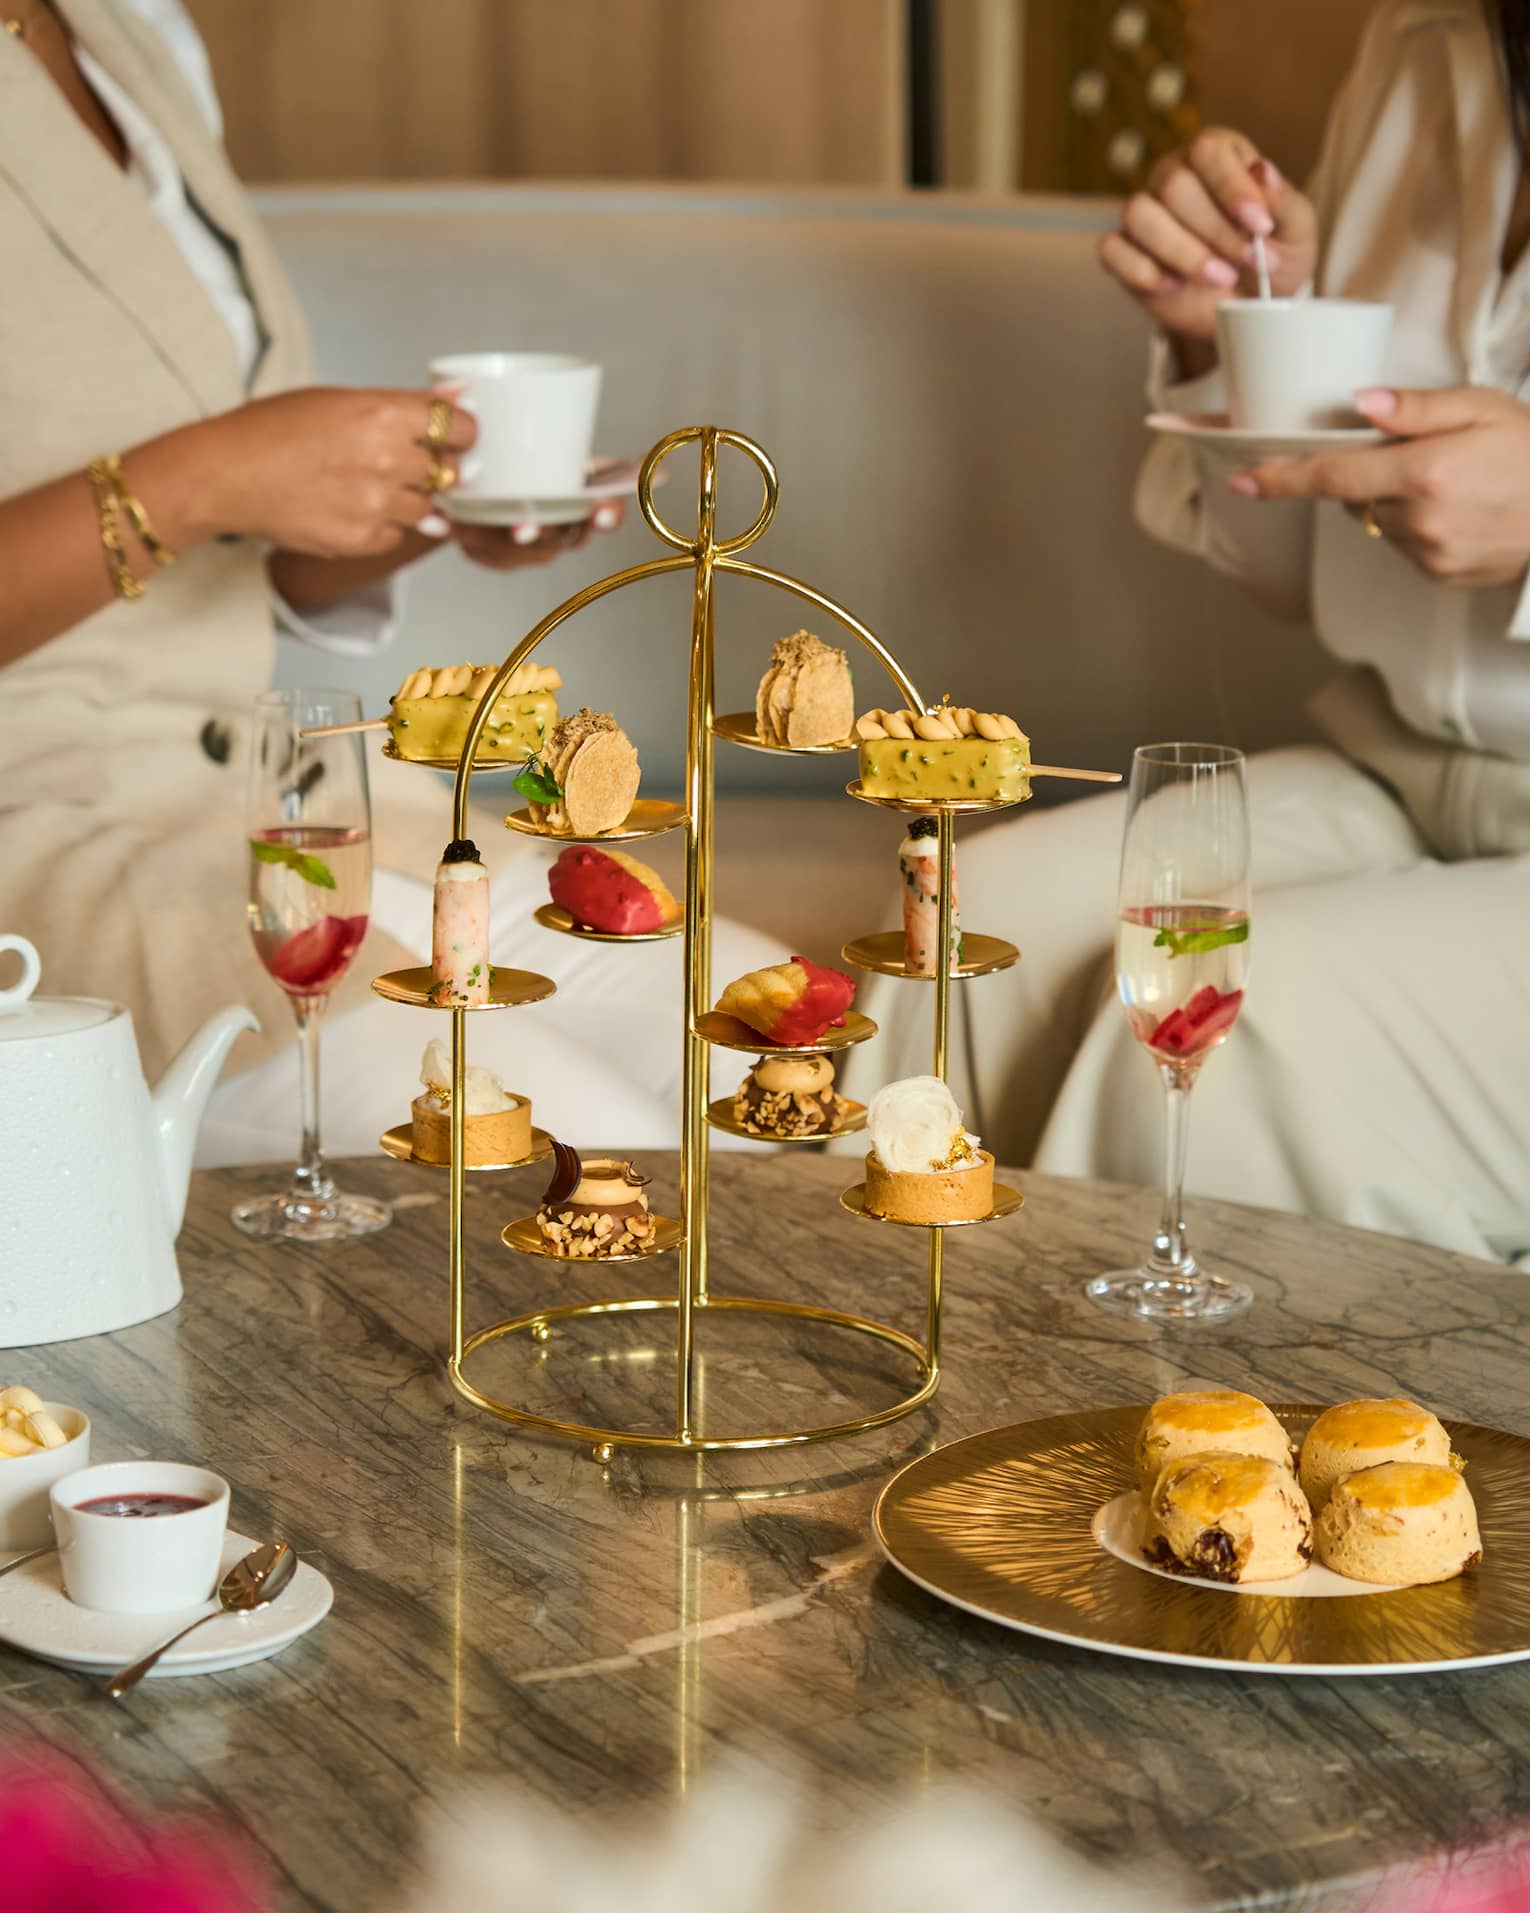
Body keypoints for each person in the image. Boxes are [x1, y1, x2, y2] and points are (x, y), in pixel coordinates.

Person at [0, 0, 775, 1164]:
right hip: (66, 858)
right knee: (601, 1169)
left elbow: (223, 541)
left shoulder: (131, 31)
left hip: (293, 810)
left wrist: (426, 508)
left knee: (768, 1054)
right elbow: (199, 488)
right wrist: (204, 476)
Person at [860, 0, 1530, 1262]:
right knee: (973, 925)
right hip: (1400, 768)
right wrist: (1234, 341)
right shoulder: (1422, 38)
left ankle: (1086, 1434)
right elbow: (1322, 559)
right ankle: (852, 1358)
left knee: (1243, 1025)